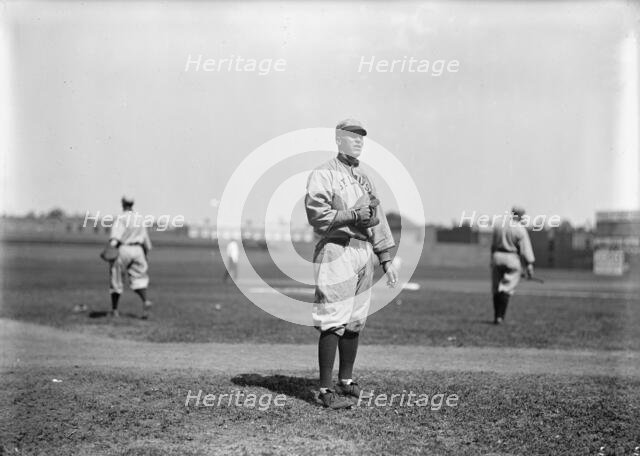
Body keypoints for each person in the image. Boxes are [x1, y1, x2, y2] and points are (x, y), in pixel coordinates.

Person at [305, 118, 398, 409]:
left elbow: (378, 219)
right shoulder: (323, 173)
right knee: (333, 317)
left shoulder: (365, 179)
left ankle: (345, 382)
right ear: (338, 139)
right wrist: (353, 216)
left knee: (356, 319)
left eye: (362, 137)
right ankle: (324, 389)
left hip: (363, 250)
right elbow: (317, 215)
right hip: (336, 246)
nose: (358, 141)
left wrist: (385, 258)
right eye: (352, 136)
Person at [108, 195, 153, 319]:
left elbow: (115, 237)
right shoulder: (139, 218)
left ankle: (115, 310)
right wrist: (145, 254)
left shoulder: (121, 218)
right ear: (133, 203)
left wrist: (111, 248)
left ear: (123, 203)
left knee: (116, 278)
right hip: (138, 249)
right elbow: (146, 241)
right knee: (140, 278)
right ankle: (145, 301)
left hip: (124, 248)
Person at [490, 206, 535, 324]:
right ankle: (500, 316)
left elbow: (493, 245)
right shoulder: (520, 228)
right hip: (512, 258)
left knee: (496, 288)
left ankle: (496, 315)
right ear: (520, 215)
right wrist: (529, 265)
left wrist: (492, 259)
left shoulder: (499, 225)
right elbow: (525, 249)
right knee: (506, 288)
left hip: (497, 257)